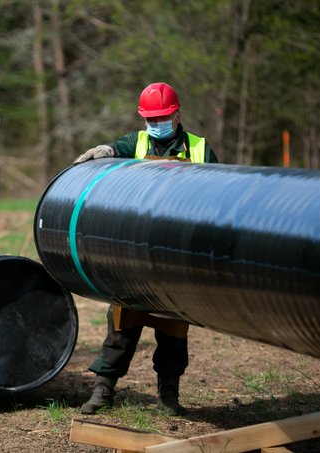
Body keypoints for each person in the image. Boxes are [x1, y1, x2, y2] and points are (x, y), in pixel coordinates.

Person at [73, 82, 219, 415]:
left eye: (162, 117)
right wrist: (103, 152)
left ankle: (168, 395)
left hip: (175, 256)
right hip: (135, 255)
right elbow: (115, 150)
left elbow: (216, 193)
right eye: (150, 118)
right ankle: (103, 390)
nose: (156, 124)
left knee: (173, 330)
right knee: (123, 325)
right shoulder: (136, 142)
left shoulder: (199, 148)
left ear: (176, 114)